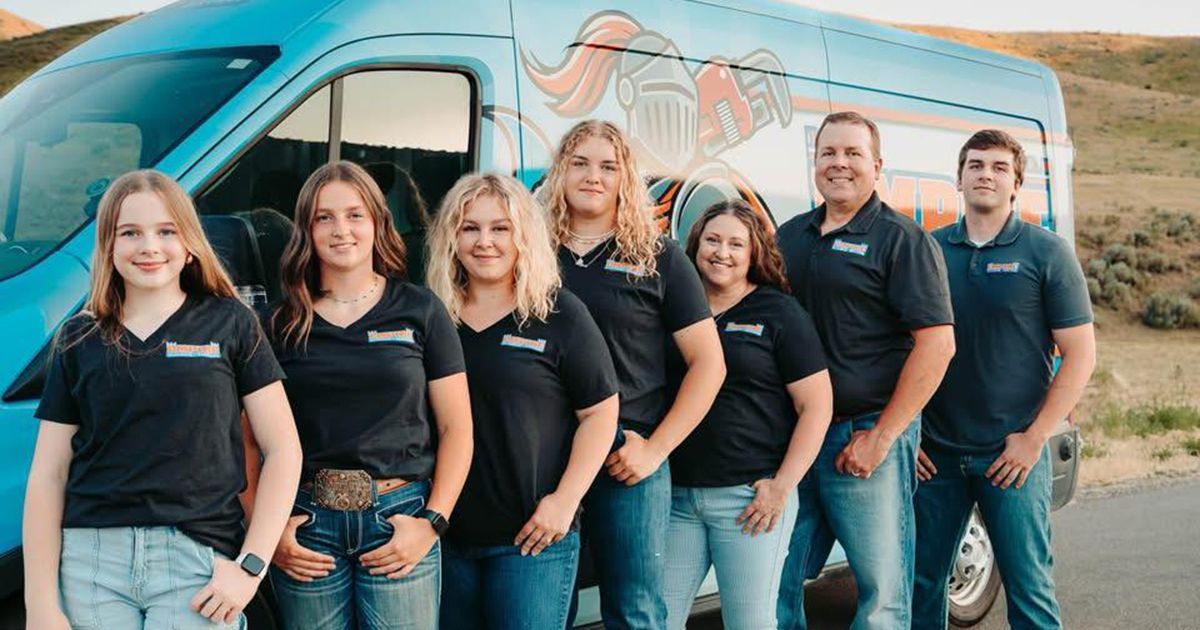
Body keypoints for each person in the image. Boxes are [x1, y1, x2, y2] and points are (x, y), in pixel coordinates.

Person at [23, 169, 302, 629]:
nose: (149, 246)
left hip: (196, 563)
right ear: (109, 247)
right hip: (92, 566)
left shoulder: (231, 323)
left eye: (166, 231)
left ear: (189, 242)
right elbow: (48, 476)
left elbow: (284, 450)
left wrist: (251, 567)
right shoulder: (79, 338)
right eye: (130, 232)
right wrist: (40, 605)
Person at [260, 161, 473, 629]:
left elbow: (457, 428)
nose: (342, 230)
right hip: (305, 525)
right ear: (306, 230)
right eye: (324, 218)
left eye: (355, 215)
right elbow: (247, 439)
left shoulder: (420, 309)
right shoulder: (279, 323)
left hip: (399, 518)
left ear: (378, 222)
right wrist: (267, 531)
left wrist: (431, 523)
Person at [539, 119, 726, 629]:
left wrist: (656, 449)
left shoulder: (657, 256)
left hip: (627, 459)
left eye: (608, 166)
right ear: (560, 172)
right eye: (579, 163)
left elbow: (709, 364)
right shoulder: (531, 253)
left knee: (635, 609)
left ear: (627, 178)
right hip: (544, 456)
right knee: (549, 609)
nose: (592, 176)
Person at [775, 111, 957, 630]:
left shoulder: (902, 240)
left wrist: (884, 437)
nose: (840, 164)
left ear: (877, 166)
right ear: (814, 163)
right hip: (793, 441)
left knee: (881, 598)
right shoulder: (790, 237)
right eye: (828, 153)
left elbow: (937, 346)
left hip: (861, 437)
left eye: (853, 154)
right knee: (772, 579)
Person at [912, 129, 1095, 630]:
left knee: (1029, 591)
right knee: (920, 588)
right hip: (936, 457)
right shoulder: (928, 251)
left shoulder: (1046, 253)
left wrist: (1033, 439)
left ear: (1017, 184)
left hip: (1011, 457)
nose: (984, 175)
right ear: (958, 177)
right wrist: (910, 434)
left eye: (997, 167)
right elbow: (899, 349)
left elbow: (1080, 357)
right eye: (974, 165)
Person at [426, 173, 620, 629]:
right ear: (451, 238)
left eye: (500, 228)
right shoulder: (432, 317)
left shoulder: (558, 314)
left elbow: (600, 412)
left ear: (523, 237)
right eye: (469, 228)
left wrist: (565, 501)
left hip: (532, 540)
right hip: (446, 538)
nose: (484, 242)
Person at [663, 200, 833, 630]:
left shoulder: (778, 313)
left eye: (736, 243)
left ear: (755, 252)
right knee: (655, 619)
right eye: (713, 240)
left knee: (749, 623)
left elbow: (816, 405)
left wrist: (782, 486)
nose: (722, 252)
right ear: (695, 244)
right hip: (677, 498)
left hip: (748, 500)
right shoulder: (674, 309)